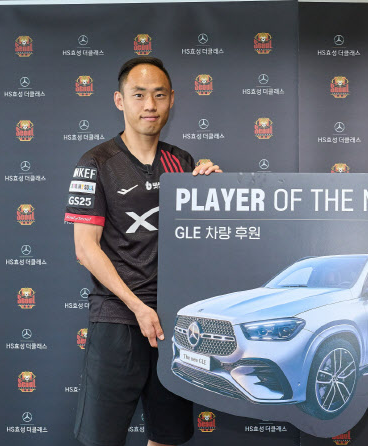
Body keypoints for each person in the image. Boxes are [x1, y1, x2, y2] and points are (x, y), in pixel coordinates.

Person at [65, 56, 221, 446]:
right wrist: (137, 306)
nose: (149, 105)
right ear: (120, 100)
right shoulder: (95, 162)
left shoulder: (182, 162)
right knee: (101, 438)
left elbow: (202, 241)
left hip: (174, 322)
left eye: (159, 95)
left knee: (167, 435)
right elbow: (85, 249)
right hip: (118, 318)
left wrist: (215, 190)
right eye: (138, 95)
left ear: (172, 100)